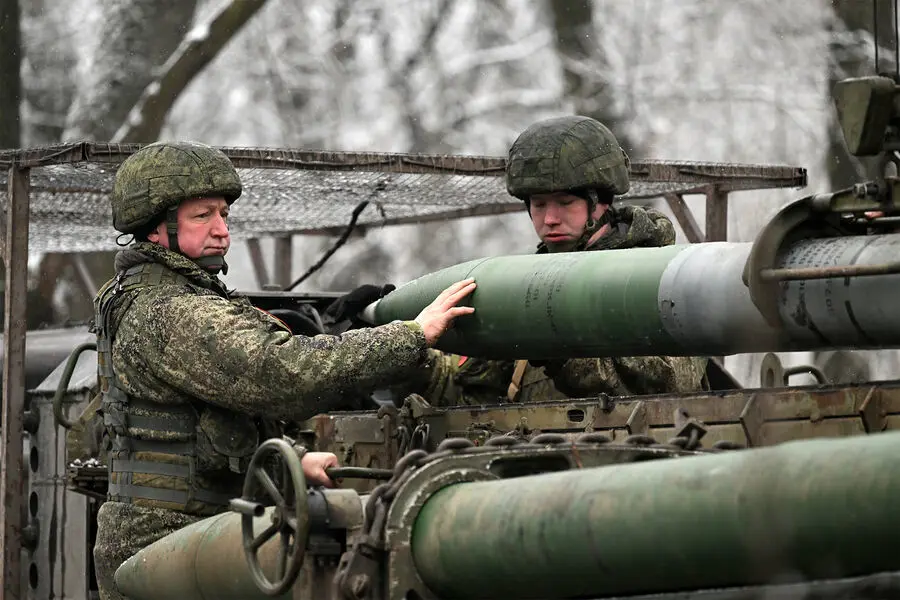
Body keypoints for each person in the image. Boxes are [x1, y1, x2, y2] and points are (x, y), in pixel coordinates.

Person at [92, 141, 476, 600]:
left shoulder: (165, 295)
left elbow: (204, 426)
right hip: (168, 543)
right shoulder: (170, 310)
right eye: (202, 216)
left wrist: (287, 462)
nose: (221, 231)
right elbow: (285, 374)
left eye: (224, 216)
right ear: (155, 228)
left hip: (188, 535)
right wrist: (411, 335)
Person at [377, 115, 709, 405]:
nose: (549, 218)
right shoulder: (527, 288)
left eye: (565, 202)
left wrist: (560, 349)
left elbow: (668, 388)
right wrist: (402, 344)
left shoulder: (659, 281)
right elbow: (465, 398)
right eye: (538, 205)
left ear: (601, 203)